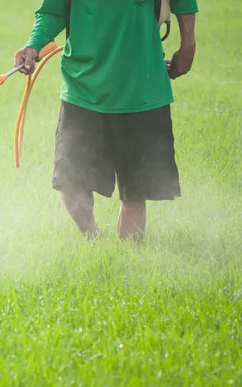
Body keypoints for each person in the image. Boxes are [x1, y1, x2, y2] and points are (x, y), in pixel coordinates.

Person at [14, 0, 198, 242]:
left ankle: (129, 262)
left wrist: (188, 44)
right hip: (83, 88)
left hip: (141, 87)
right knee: (70, 183)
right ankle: (94, 242)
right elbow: (53, 10)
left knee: (135, 192)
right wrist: (33, 44)